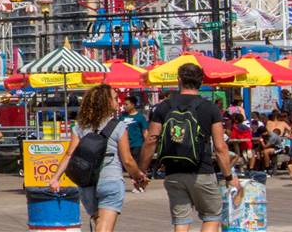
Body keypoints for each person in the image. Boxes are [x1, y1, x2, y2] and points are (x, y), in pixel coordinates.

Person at [139, 64, 236, 232]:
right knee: (212, 216)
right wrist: (228, 176)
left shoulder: (164, 106)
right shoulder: (210, 107)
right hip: (202, 170)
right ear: (201, 81)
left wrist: (141, 171)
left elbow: (151, 140)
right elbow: (220, 147)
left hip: (173, 171)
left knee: (181, 220)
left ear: (179, 80)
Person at [51, 85, 147, 232]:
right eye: (115, 99)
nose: (118, 102)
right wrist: (138, 175)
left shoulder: (80, 127)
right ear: (106, 102)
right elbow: (127, 160)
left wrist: (55, 178)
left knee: (100, 225)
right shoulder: (119, 127)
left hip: (87, 183)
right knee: (104, 228)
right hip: (110, 181)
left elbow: (69, 154)